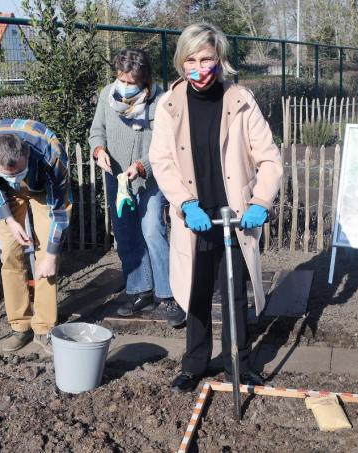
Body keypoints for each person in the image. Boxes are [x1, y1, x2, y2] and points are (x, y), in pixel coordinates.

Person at [149, 23, 283, 392]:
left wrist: (260, 201)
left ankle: (237, 363)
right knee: (196, 292)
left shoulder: (240, 101)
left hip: (235, 218)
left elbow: (269, 159)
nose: (198, 66)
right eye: (190, 59)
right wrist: (186, 203)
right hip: (195, 218)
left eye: (206, 58)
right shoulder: (170, 105)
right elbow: (161, 161)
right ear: (180, 62)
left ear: (219, 59)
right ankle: (193, 364)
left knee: (235, 293)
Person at [89, 48, 185, 327]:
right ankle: (139, 289)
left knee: (152, 230)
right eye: (122, 79)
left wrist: (143, 166)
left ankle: (168, 295)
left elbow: (167, 144)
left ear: (145, 79)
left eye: (132, 82)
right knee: (126, 234)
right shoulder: (108, 95)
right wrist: (98, 150)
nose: (126, 86)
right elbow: (97, 130)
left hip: (150, 179)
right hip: (117, 178)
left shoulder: (162, 101)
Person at [0, 119, 71, 354]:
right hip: (5, 193)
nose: (16, 178)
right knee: (9, 254)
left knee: (46, 260)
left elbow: (60, 211)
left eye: (19, 171)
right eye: (8, 173)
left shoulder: (52, 156)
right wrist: (9, 219)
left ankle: (44, 327)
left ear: (26, 152)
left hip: (42, 190)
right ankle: (20, 325)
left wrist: (51, 255)